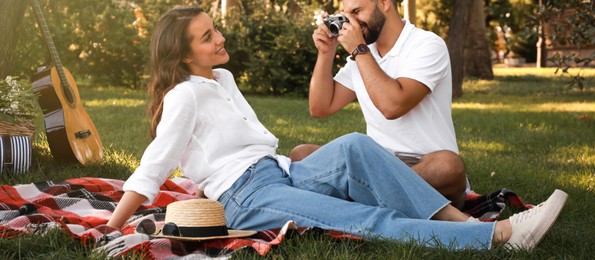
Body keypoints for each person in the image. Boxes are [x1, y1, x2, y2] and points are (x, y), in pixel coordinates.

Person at [106, 5, 568, 251]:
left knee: (353, 146)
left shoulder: (222, 78)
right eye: (207, 37)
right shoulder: (183, 95)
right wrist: (113, 226)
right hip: (248, 196)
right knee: (365, 220)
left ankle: (462, 223)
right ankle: (497, 237)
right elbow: (155, 164)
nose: (220, 37)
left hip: (278, 171)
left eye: (214, 29)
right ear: (185, 56)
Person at [290, 0, 467, 208]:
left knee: (449, 166)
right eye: (346, 14)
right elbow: (320, 107)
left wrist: (359, 50)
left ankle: (359, 200)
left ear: (384, 3)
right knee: (301, 154)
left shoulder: (427, 44)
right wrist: (325, 53)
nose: (350, 22)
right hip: (374, 164)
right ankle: (379, 200)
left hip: (423, 167)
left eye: (357, 11)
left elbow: (392, 107)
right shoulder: (363, 53)